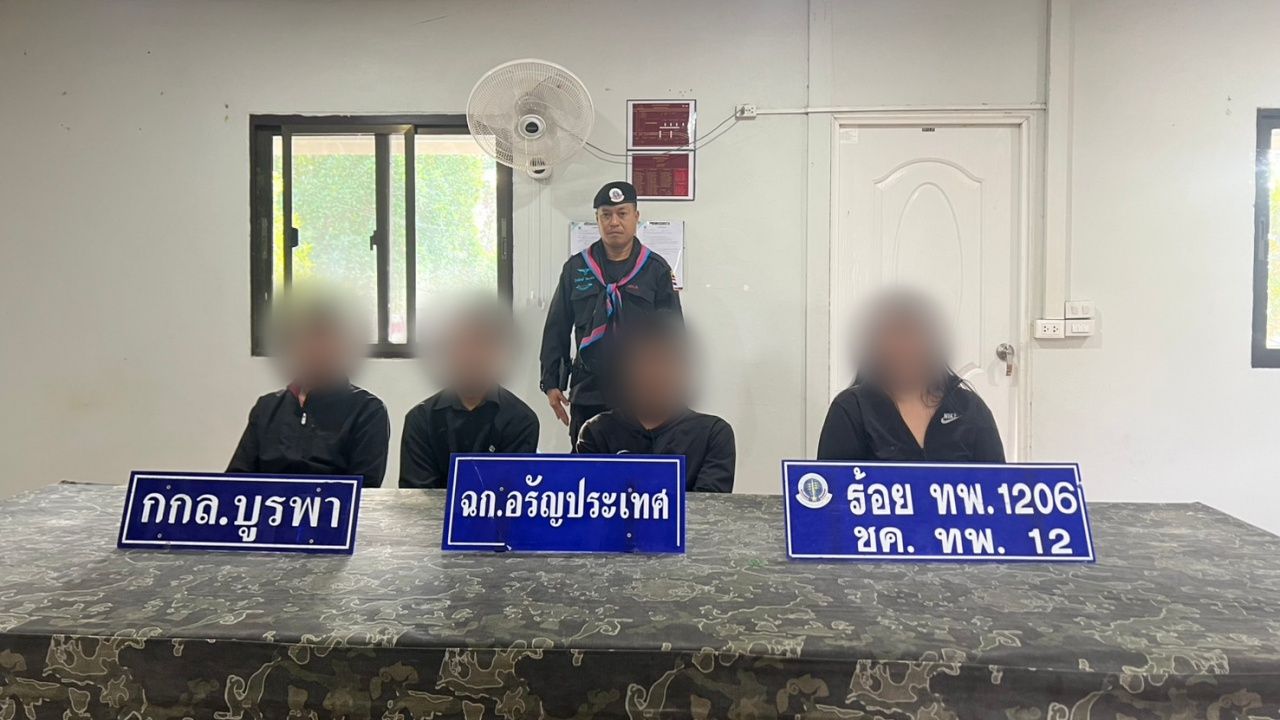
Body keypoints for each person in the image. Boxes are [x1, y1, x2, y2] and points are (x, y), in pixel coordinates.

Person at [540, 181, 682, 444]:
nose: (614, 222)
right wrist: (551, 383)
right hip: (588, 391)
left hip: (640, 394)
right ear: (597, 219)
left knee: (638, 466)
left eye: (622, 213)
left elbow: (671, 336)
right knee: (587, 463)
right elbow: (557, 327)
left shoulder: (656, 269)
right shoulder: (576, 268)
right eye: (606, 215)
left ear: (636, 217)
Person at [817, 289, 1005, 463]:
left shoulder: (970, 408)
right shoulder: (851, 410)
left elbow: (998, 482)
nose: (905, 348)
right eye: (894, 336)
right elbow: (831, 484)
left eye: (914, 335)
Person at [228, 286, 390, 487]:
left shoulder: (367, 410)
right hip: (268, 506)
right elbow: (235, 482)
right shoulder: (267, 407)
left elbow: (365, 490)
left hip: (332, 506)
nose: (315, 349)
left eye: (325, 339)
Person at [576, 313, 735, 492]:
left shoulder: (712, 434)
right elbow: (584, 499)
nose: (654, 375)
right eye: (644, 363)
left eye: (665, 362)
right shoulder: (597, 431)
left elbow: (709, 505)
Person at [400, 298, 539, 489]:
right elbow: (417, 494)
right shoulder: (421, 419)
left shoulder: (521, 421)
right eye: (460, 346)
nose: (470, 356)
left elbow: (511, 493)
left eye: (480, 345)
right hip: (432, 510)